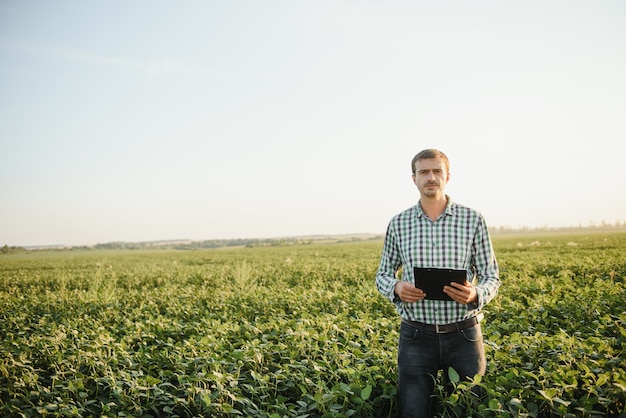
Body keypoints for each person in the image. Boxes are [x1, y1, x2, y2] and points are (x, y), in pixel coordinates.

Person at [375, 149, 500, 417]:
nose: (430, 177)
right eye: (423, 172)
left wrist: (474, 294)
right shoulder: (399, 223)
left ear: (447, 176)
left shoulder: (473, 220)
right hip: (416, 336)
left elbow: (492, 276)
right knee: (413, 411)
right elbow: (382, 274)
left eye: (436, 171)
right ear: (414, 179)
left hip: (464, 334)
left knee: (469, 409)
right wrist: (396, 287)